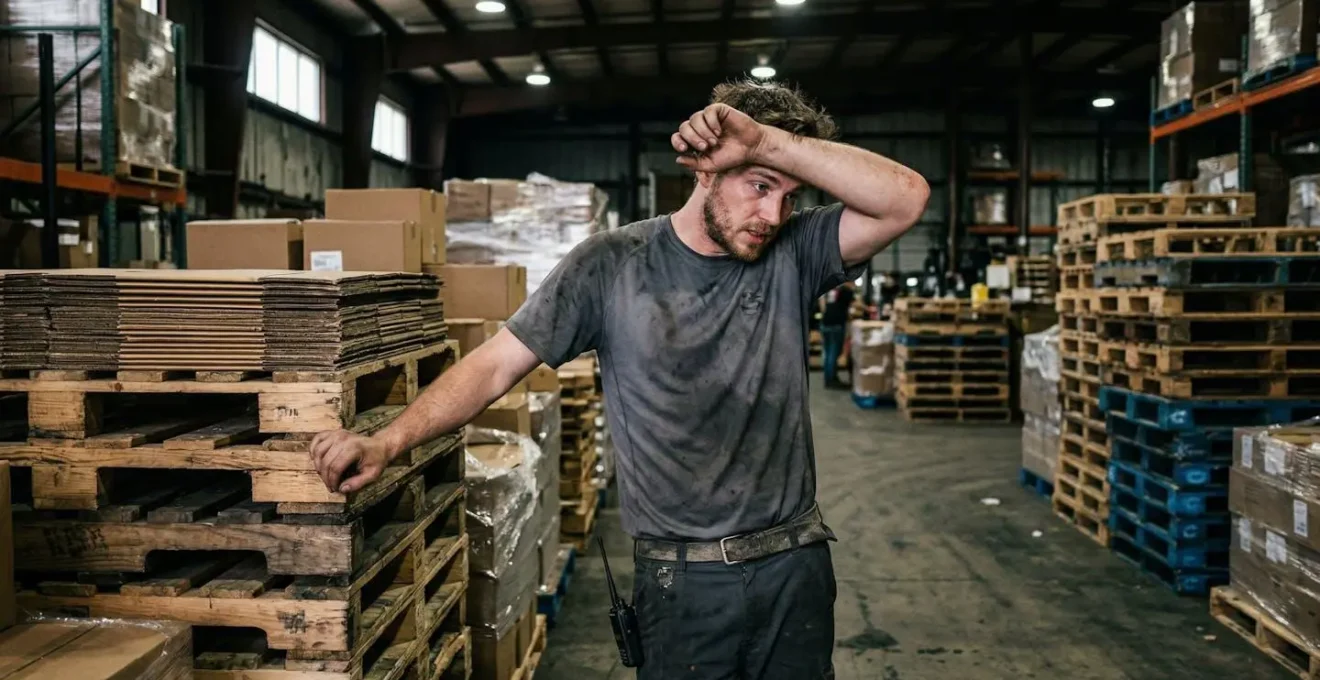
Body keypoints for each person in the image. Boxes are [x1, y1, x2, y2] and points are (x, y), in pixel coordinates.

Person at [308, 79, 929, 680]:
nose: (773, 213)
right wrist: (387, 441)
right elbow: (495, 363)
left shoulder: (794, 251)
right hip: (682, 581)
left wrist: (764, 144)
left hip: (794, 567)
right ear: (705, 169)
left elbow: (905, 199)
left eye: (790, 196)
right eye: (760, 187)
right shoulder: (610, 265)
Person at [818, 281, 855, 389]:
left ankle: (828, 378)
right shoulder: (847, 291)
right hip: (837, 324)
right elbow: (853, 306)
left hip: (825, 322)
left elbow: (822, 302)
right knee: (833, 353)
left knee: (828, 352)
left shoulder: (831, 289)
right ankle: (831, 380)